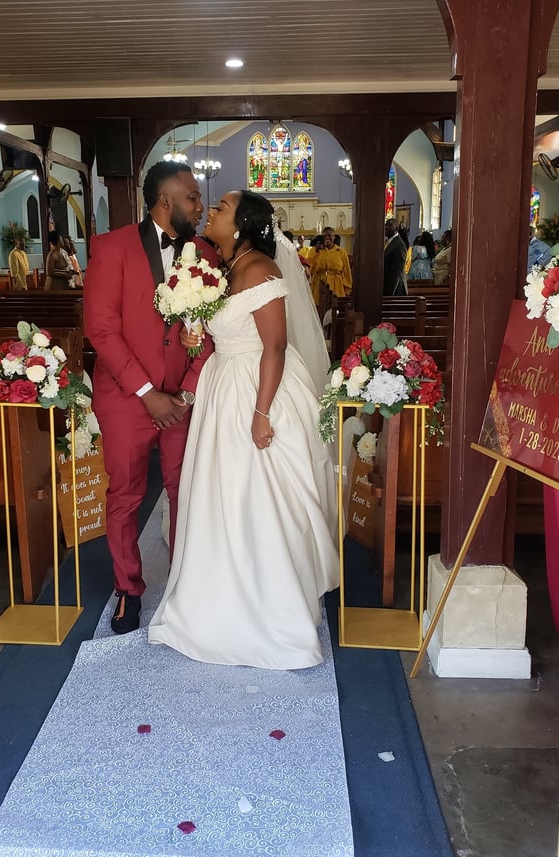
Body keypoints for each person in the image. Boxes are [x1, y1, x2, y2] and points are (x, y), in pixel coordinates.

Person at [148, 190, 338, 670]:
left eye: (222, 208)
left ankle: (270, 606)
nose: (211, 212)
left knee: (255, 493)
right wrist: (195, 332)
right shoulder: (227, 267)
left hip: (256, 389)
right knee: (222, 492)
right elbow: (226, 331)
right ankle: (220, 594)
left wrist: (261, 413)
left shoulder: (259, 269)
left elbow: (274, 346)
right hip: (223, 387)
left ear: (242, 225)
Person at [84, 161, 217, 635]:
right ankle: (128, 587)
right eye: (192, 197)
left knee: (187, 491)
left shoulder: (206, 254)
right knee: (125, 494)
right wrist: (146, 393)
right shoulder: (112, 248)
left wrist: (186, 391)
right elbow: (101, 329)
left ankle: (184, 585)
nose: (200, 207)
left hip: (182, 400)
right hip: (126, 398)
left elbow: (214, 332)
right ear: (165, 201)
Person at [309, 225, 352, 305]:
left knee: (335, 309)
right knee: (319, 309)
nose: (327, 238)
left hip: (337, 286)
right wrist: (317, 252)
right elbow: (311, 269)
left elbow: (346, 271)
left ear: (334, 237)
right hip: (319, 285)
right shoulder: (315, 250)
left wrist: (347, 289)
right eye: (325, 236)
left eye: (330, 235)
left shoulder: (341, 252)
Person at [383, 217, 407, 295]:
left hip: (395, 290)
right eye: (386, 225)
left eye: (390, 226)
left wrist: (390, 293)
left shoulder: (399, 245)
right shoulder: (388, 242)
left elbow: (397, 271)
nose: (386, 228)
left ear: (396, 229)